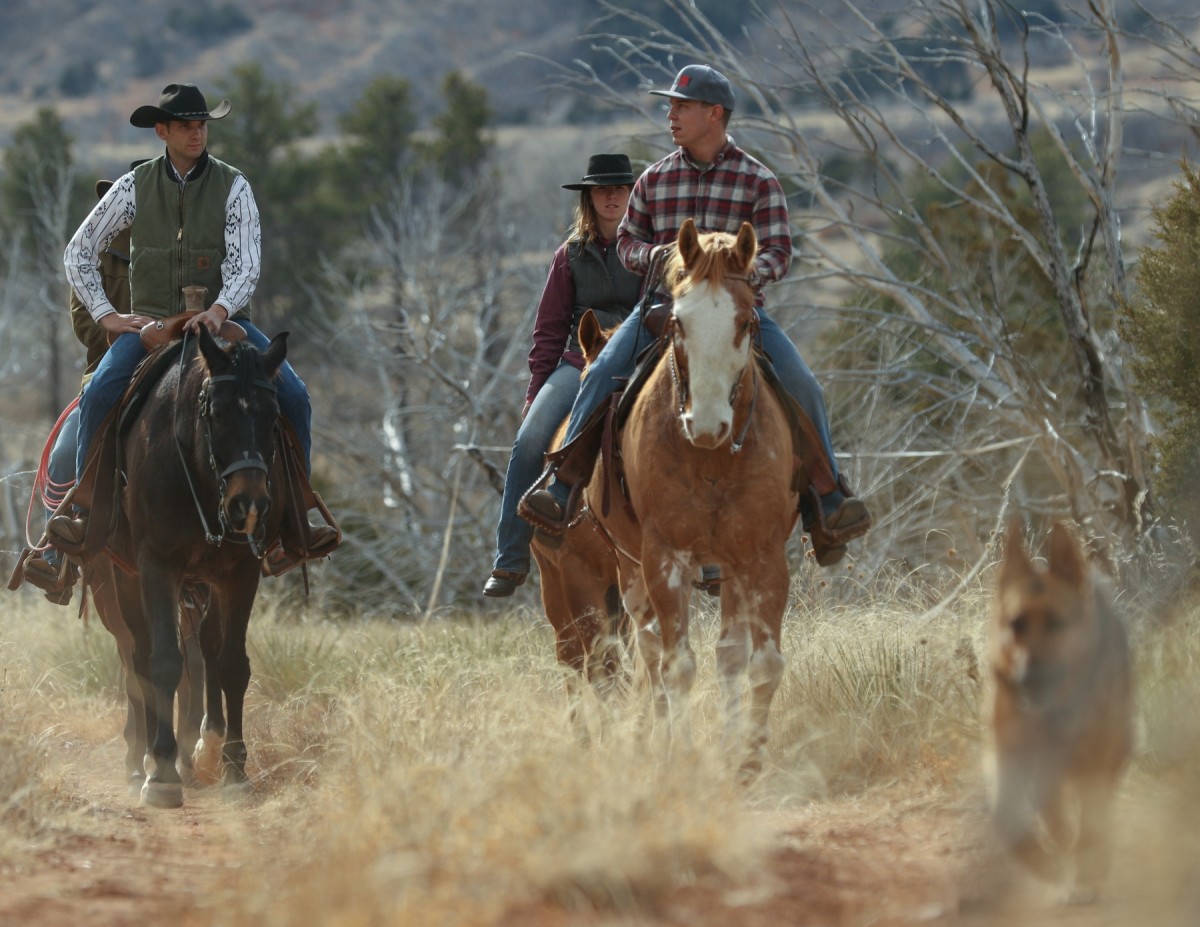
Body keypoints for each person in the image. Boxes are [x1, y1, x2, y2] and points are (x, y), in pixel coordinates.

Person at [520, 65, 870, 566]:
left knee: (803, 386)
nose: (671, 115)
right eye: (670, 106)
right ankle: (564, 484)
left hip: (734, 317)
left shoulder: (758, 180)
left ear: (714, 114)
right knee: (597, 373)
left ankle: (827, 500)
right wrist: (660, 258)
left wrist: (740, 274)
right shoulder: (654, 179)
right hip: (662, 311)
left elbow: (779, 252)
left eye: (681, 107)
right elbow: (627, 243)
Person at [46, 83, 337, 569]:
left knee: (295, 397)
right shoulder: (133, 186)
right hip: (154, 329)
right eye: (186, 125)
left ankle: (296, 521)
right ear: (162, 130)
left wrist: (220, 311)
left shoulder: (233, 185)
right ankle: (84, 512)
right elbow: (78, 252)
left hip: (223, 325)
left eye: (201, 125)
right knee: (98, 394)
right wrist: (110, 317)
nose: (197, 133)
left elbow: (245, 266)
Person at [483, 154, 642, 597]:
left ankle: (704, 554)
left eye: (620, 188)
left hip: (639, 363)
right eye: (602, 189)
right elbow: (549, 331)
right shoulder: (569, 257)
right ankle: (510, 559)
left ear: (632, 194)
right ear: (589, 198)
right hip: (580, 363)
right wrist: (536, 393)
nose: (612, 196)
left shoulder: (651, 252)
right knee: (530, 438)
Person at [21, 164, 144, 601]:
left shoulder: (178, 248)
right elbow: (85, 325)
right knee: (68, 449)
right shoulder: (95, 255)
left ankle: (268, 527)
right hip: (112, 362)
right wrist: (123, 329)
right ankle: (59, 550)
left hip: (181, 355)